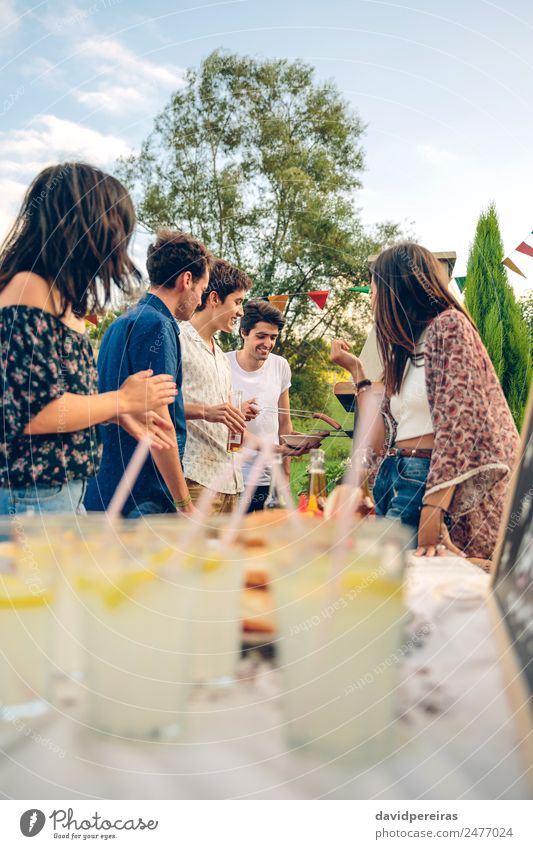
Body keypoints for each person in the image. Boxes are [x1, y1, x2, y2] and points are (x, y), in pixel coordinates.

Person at [0, 162, 177, 516]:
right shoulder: (27, 288)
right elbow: (31, 414)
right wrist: (120, 401)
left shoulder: (55, 292)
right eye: (117, 231)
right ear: (84, 227)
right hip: (32, 498)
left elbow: (56, 399)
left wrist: (112, 413)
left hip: (61, 494)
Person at [330, 242, 520, 561]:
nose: (372, 297)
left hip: (426, 478)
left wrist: (433, 507)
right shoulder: (402, 350)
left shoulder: (448, 327)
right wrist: (358, 372)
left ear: (398, 287)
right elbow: (379, 438)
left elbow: (463, 422)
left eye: (376, 288)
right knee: (391, 586)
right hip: (396, 472)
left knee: (404, 585)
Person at [84, 231, 212, 518]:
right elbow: (159, 422)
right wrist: (183, 502)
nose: (199, 300)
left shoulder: (121, 322)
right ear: (187, 280)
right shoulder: (158, 325)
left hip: (105, 485)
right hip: (142, 496)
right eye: (202, 290)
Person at [180, 259, 253, 513]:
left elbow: (218, 413)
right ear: (213, 298)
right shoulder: (178, 339)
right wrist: (207, 411)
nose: (241, 312)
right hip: (195, 482)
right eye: (238, 301)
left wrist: (236, 413)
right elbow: (156, 405)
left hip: (231, 482)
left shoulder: (222, 357)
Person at [227, 299, 293, 511]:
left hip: (268, 476)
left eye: (273, 337)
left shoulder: (280, 366)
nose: (268, 343)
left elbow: (285, 422)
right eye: (261, 336)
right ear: (243, 332)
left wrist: (285, 474)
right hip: (232, 476)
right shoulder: (223, 364)